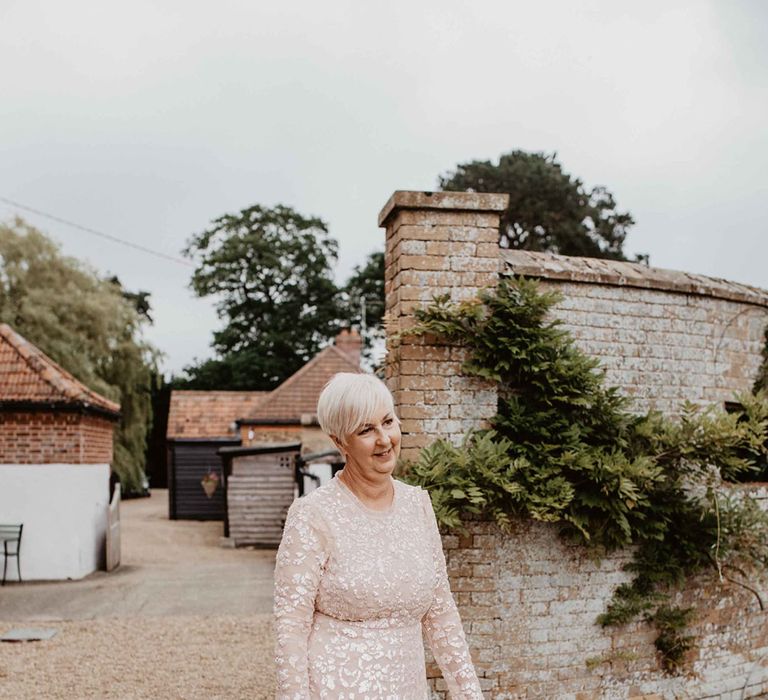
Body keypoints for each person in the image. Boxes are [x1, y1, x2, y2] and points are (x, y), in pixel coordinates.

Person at [273, 372, 483, 699]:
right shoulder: (312, 515)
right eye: (366, 430)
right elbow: (291, 629)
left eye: (388, 422)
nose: (384, 439)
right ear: (340, 441)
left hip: (409, 689)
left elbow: (441, 614)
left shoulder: (418, 505)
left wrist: (469, 694)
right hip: (336, 689)